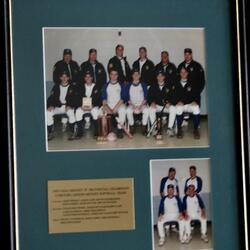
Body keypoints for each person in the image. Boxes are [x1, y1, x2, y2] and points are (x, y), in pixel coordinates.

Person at [47, 71, 78, 141]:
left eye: (66, 77)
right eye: (62, 77)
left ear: (68, 78)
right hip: (58, 106)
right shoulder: (56, 87)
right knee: (48, 112)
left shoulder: (72, 87)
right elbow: (51, 97)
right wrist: (51, 105)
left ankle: (73, 132)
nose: (64, 78)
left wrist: (70, 105)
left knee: (70, 112)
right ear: (60, 78)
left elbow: (76, 99)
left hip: (68, 106)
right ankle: (50, 132)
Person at [175, 67, 203, 139]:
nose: (183, 74)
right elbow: (172, 95)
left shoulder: (192, 83)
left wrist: (196, 101)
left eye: (185, 72)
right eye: (181, 72)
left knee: (196, 108)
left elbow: (197, 94)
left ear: (187, 73)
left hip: (190, 104)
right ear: (180, 74)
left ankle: (196, 129)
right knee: (178, 108)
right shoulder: (176, 83)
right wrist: (177, 101)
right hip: (180, 104)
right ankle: (179, 129)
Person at [148, 70, 176, 137]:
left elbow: (173, 97)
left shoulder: (169, 86)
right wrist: (152, 102)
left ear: (164, 77)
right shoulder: (153, 86)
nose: (160, 77)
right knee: (151, 109)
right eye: (158, 76)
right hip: (157, 106)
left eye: (162, 76)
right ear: (156, 77)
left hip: (166, 106)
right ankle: (154, 128)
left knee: (173, 109)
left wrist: (170, 103)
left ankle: (169, 128)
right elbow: (149, 97)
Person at [74, 71, 102, 138]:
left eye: (89, 77)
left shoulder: (97, 86)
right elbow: (77, 98)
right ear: (84, 78)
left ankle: (97, 131)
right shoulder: (81, 87)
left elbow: (99, 99)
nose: (88, 78)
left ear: (92, 78)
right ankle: (79, 131)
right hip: (83, 106)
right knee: (78, 112)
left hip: (93, 106)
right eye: (86, 77)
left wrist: (93, 105)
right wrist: (81, 106)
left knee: (95, 111)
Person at [102, 69, 127, 138]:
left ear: (117, 76)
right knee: (100, 112)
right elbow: (104, 100)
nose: (113, 76)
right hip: (108, 104)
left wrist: (116, 108)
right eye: (112, 74)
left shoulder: (121, 85)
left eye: (115, 74)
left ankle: (119, 129)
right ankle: (104, 131)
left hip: (119, 104)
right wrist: (107, 108)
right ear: (109, 75)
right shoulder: (105, 85)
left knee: (122, 110)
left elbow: (123, 98)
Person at [126, 69, 149, 135]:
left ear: (139, 75)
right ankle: (131, 126)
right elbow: (127, 97)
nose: (136, 76)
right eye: (134, 74)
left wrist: (140, 106)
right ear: (132, 76)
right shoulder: (128, 85)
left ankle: (144, 127)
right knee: (128, 110)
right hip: (132, 104)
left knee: (146, 110)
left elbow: (146, 97)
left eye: (137, 74)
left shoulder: (143, 84)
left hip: (142, 104)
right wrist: (133, 106)